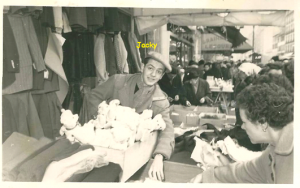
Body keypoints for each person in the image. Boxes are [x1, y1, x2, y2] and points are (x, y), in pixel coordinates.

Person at [81, 51, 175, 182]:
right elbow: (94, 96)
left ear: (161, 76)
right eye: (150, 68)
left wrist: (159, 156)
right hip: (103, 145)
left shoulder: (160, 101)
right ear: (142, 67)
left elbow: (168, 131)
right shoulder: (118, 81)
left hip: (132, 157)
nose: (153, 74)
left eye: (159, 72)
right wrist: (103, 119)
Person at [190, 81, 293, 183]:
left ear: (262, 122)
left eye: (244, 122)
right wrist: (208, 175)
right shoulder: (273, 149)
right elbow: (246, 171)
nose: (242, 127)